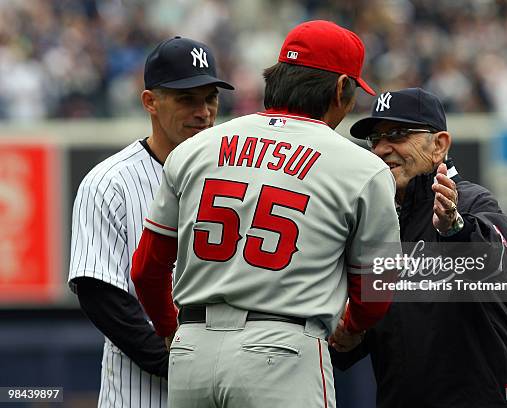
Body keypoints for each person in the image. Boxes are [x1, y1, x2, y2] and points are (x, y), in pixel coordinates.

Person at [130, 20, 401, 408]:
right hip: (282, 351)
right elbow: (374, 291)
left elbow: (146, 269)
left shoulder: (194, 148)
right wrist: (351, 328)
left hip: (192, 352)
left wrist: (173, 332)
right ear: (341, 87)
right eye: (353, 89)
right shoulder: (362, 167)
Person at [332, 88, 507, 407]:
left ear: (439, 145)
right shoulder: (376, 226)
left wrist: (454, 227)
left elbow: (493, 254)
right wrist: (347, 338)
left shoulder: (471, 201)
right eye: (375, 139)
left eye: (398, 134)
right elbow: (374, 325)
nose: (381, 149)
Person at [68, 36, 234, 408]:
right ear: (150, 102)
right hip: (141, 394)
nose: (203, 112)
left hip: (225, 386)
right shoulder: (110, 181)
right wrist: (176, 365)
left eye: (210, 98)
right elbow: (102, 297)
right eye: (186, 98)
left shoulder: (235, 177)